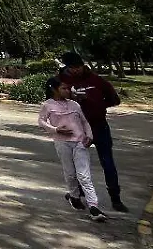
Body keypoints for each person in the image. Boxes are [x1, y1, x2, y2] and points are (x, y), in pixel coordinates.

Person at [59, 51, 128, 212]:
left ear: (83, 64)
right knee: (77, 164)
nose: (76, 70)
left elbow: (114, 99)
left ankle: (115, 198)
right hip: (77, 129)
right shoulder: (62, 81)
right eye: (72, 68)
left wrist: (96, 104)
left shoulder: (96, 80)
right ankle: (78, 194)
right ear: (67, 68)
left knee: (108, 162)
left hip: (99, 126)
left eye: (78, 67)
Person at [38, 77, 108, 222]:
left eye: (68, 88)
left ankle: (93, 206)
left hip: (80, 142)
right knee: (70, 173)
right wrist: (55, 129)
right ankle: (74, 196)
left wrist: (89, 136)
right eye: (63, 88)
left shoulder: (74, 105)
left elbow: (84, 121)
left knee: (84, 175)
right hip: (62, 143)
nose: (67, 91)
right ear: (54, 89)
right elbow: (41, 121)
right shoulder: (47, 105)